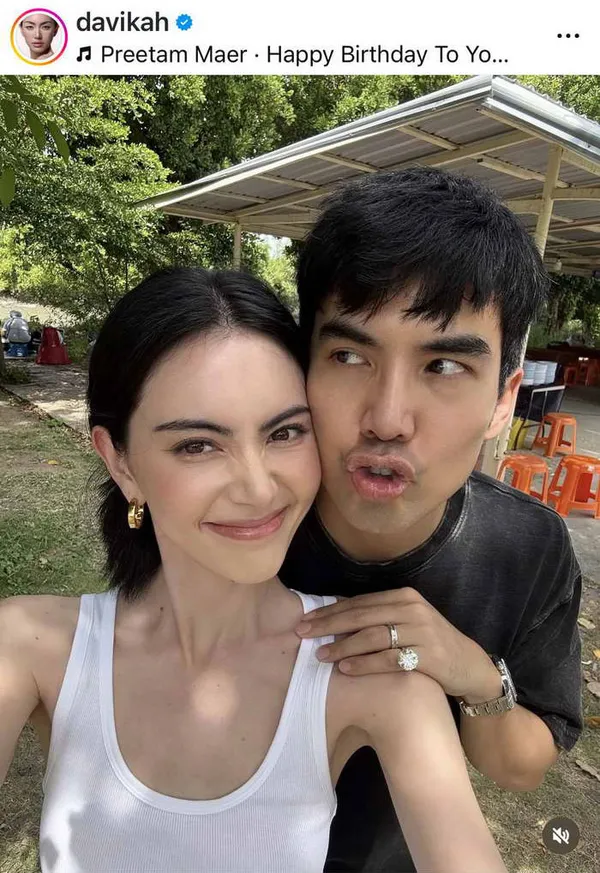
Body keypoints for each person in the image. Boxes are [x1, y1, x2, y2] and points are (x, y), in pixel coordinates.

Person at [0, 268, 507, 873]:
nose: (259, 487)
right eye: (197, 445)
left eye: (284, 433)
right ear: (121, 462)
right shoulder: (28, 648)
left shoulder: (371, 673)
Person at [279, 167, 584, 872]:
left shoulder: (527, 548)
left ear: (504, 400)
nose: (387, 418)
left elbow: (522, 767)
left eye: (444, 366)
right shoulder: (240, 520)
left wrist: (472, 675)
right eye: (349, 355)